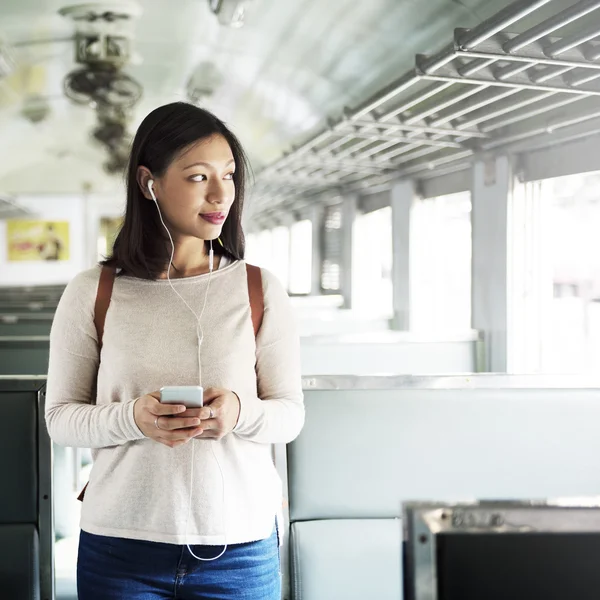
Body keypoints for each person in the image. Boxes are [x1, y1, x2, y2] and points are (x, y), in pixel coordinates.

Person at [45, 101, 305, 599]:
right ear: (149, 183)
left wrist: (238, 412)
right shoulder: (94, 291)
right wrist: (133, 418)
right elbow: (60, 418)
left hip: (240, 548)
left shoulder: (259, 289)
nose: (219, 193)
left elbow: (290, 416)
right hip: (121, 542)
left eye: (228, 176)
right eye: (197, 177)